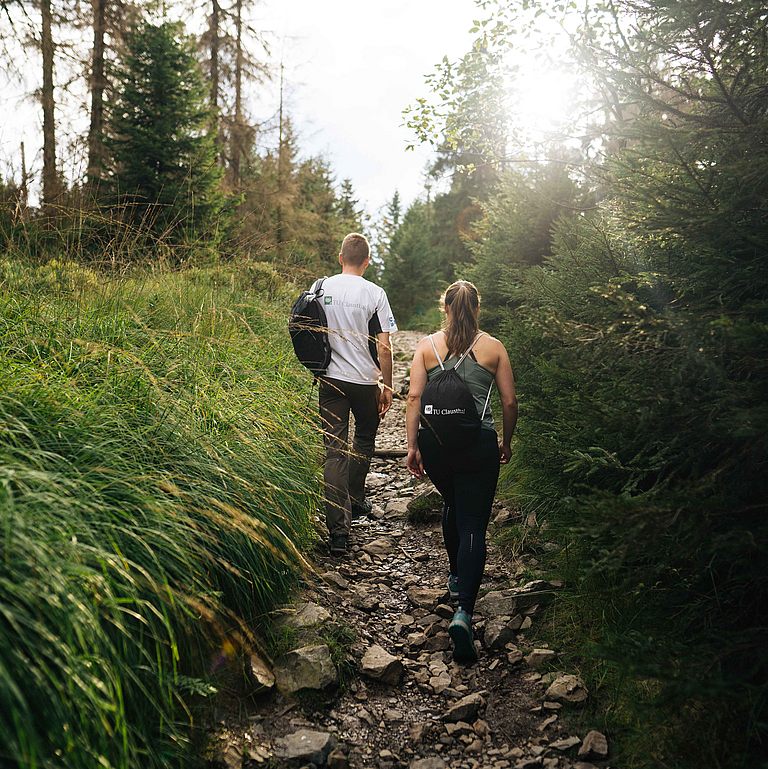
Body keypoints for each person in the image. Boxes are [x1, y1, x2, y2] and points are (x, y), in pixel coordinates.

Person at [405, 280, 517, 662]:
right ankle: (464, 611)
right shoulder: (493, 348)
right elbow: (509, 400)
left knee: (453, 500)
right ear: (477, 308)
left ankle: (455, 577)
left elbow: (415, 397)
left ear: (446, 308)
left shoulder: (426, 347)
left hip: (436, 445)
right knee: (473, 523)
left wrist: (413, 445)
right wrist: (506, 441)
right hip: (477, 444)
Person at [319, 233, 397, 556]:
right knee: (364, 436)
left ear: (340, 258)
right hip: (365, 382)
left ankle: (338, 532)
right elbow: (384, 346)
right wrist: (388, 385)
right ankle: (354, 496)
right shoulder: (375, 293)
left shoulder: (320, 287)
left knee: (334, 451)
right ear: (366, 262)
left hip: (330, 381)